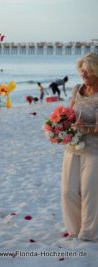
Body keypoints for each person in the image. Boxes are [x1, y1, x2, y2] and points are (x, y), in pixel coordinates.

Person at [62, 52, 98, 241]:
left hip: (94, 149)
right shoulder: (77, 89)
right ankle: (75, 229)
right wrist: (60, 126)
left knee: (90, 193)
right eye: (82, 71)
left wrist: (87, 129)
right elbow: (69, 115)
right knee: (68, 192)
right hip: (73, 147)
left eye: (89, 72)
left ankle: (89, 232)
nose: (84, 75)